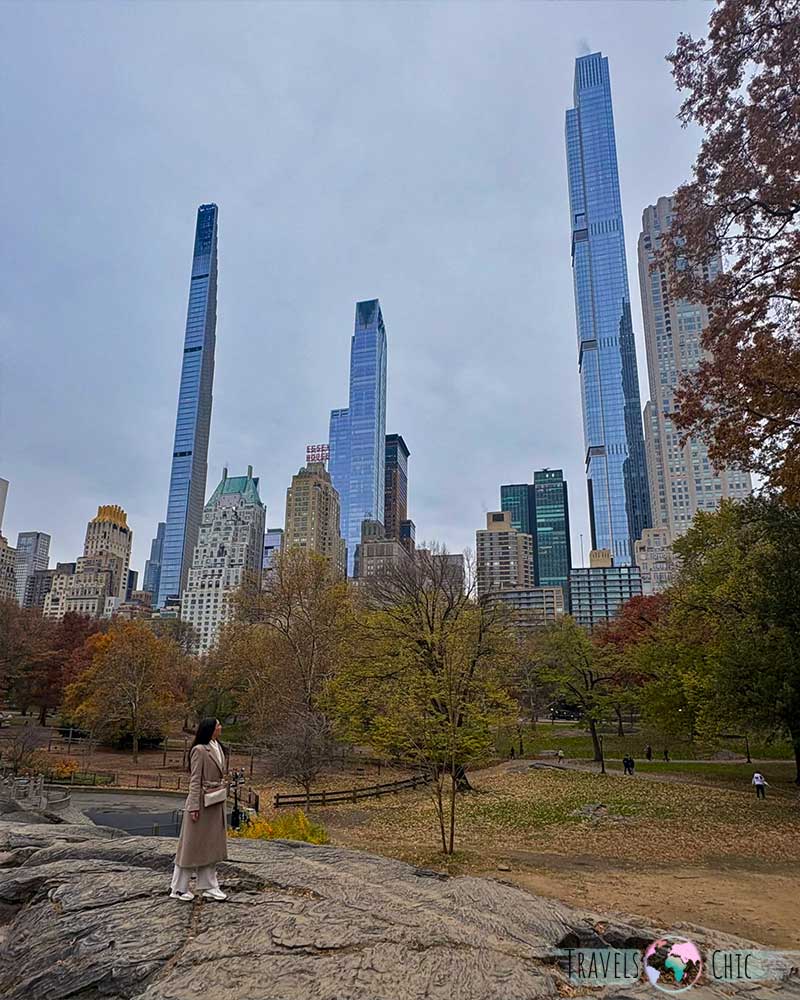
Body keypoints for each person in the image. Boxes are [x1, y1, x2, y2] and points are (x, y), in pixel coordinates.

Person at [170, 718, 229, 902]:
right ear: (211, 729)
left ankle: (209, 885)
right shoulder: (199, 750)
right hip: (201, 805)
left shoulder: (217, 746)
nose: (221, 727)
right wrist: (194, 806)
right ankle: (178, 888)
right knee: (190, 847)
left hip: (215, 802)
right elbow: (195, 780)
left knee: (210, 846)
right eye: (218, 725)